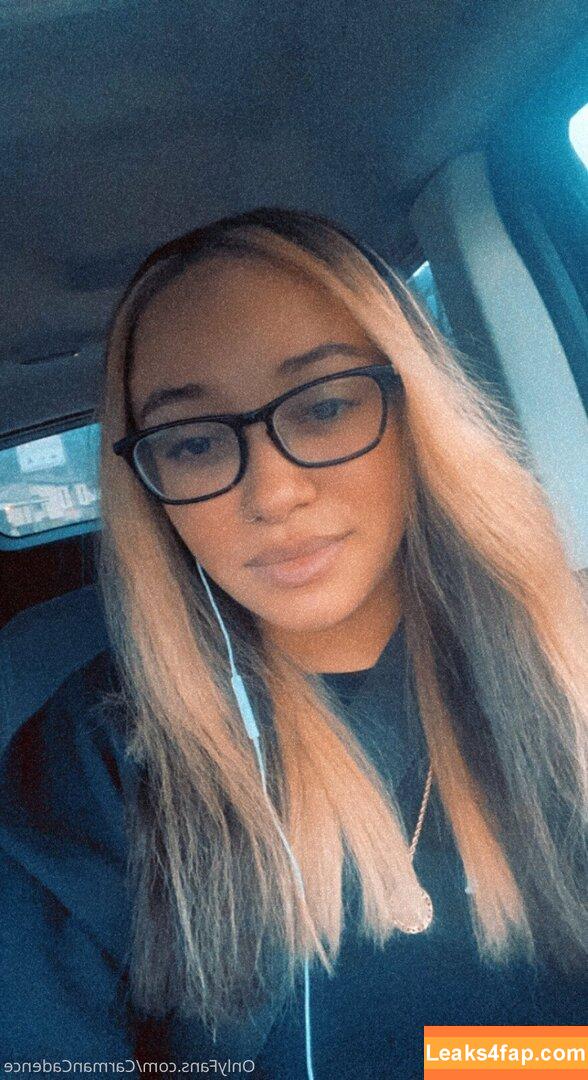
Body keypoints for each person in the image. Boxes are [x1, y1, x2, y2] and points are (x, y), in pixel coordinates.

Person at [1, 207, 586, 1079]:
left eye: (324, 406)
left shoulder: (566, 665)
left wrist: (497, 1061)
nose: (273, 493)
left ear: (414, 409)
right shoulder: (98, 757)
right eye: (195, 443)